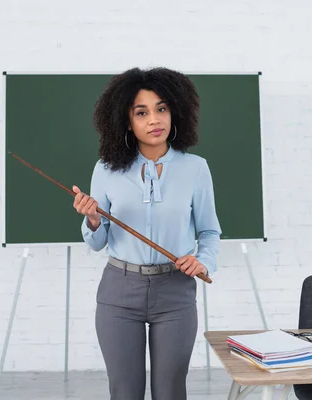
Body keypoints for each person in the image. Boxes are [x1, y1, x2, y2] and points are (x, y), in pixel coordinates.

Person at [71, 67, 221, 400]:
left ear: (175, 112)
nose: (155, 119)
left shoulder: (196, 168)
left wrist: (203, 261)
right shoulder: (106, 169)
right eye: (142, 112)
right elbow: (98, 242)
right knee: (125, 392)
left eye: (162, 108)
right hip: (119, 293)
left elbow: (210, 232)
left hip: (175, 292)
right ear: (126, 121)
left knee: (170, 391)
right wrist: (93, 219)